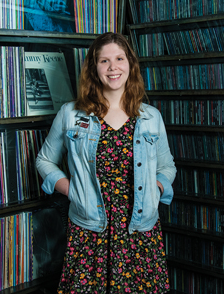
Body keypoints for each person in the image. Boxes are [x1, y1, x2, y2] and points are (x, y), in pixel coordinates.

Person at [36, 32, 176, 293]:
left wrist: (156, 188)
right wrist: (72, 190)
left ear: (130, 64)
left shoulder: (151, 117)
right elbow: (45, 160)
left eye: (120, 59)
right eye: (104, 61)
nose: (113, 67)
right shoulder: (70, 114)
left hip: (139, 229)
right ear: (93, 68)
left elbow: (167, 166)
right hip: (90, 227)